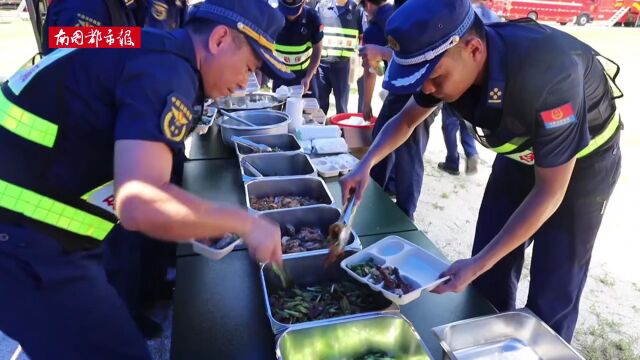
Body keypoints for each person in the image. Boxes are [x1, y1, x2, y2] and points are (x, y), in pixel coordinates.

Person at [0, 0, 290, 358]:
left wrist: (195, 219)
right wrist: (245, 222)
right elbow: (139, 203)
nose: (245, 83)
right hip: (24, 244)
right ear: (219, 39)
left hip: (53, 236)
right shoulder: (169, 71)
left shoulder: (147, 44)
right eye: (248, 67)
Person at [341, 0, 622, 342]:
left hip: (582, 164)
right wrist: (365, 163)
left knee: (553, 285)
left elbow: (550, 192)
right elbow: (408, 119)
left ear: (473, 49)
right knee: (489, 270)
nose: (427, 90)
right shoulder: (451, 63)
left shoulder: (550, 72)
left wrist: (477, 263)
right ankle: (484, 345)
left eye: (434, 78)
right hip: (521, 153)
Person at [359, 0, 438, 219]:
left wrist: (381, 52)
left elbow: (430, 56)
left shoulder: (387, 22)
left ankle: (404, 215)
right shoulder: (397, 13)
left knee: (409, 151)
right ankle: (376, 197)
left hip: (422, 89)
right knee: (385, 138)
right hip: (402, 89)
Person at [437, 0, 500, 176]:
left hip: (458, 80)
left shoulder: (463, 14)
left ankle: (452, 160)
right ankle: (471, 153)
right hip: (481, 85)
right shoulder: (493, 16)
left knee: (449, 124)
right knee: (468, 122)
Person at [315, 0, 364, 114]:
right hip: (322, 65)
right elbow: (314, 34)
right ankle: (318, 131)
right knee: (319, 108)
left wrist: (356, 62)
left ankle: (342, 132)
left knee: (342, 108)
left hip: (344, 67)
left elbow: (362, 37)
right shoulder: (321, 6)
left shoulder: (357, 10)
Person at [273, 0, 323, 97]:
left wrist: (308, 77)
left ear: (303, 2)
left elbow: (317, 51)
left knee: (309, 109)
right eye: (286, 10)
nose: (290, 16)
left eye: (294, 10)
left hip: (304, 75)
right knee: (278, 109)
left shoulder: (313, 18)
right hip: (280, 75)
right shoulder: (273, 16)